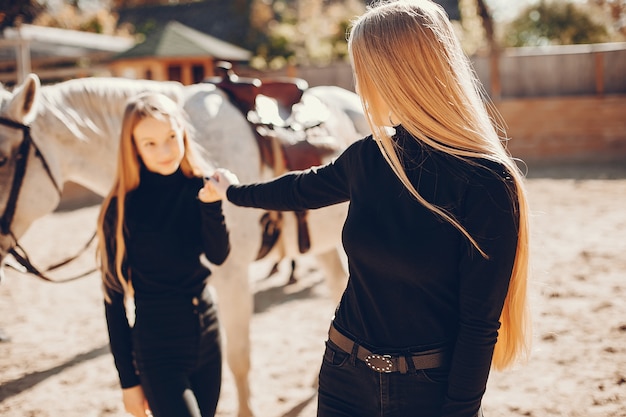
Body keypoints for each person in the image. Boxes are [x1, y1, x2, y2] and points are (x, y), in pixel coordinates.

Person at [204, 1, 531, 416]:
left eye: (365, 69)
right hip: (342, 373)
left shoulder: (487, 182)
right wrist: (234, 192)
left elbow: (479, 326)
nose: (361, 84)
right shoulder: (371, 157)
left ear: (399, 73)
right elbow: (301, 190)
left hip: (426, 389)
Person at [96, 92, 230, 417]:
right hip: (158, 348)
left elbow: (218, 255)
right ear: (133, 146)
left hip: (209, 334)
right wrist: (128, 383)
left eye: (171, 137)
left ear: (182, 131)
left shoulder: (199, 187)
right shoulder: (120, 207)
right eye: (150, 143)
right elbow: (113, 301)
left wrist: (213, 206)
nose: (165, 151)